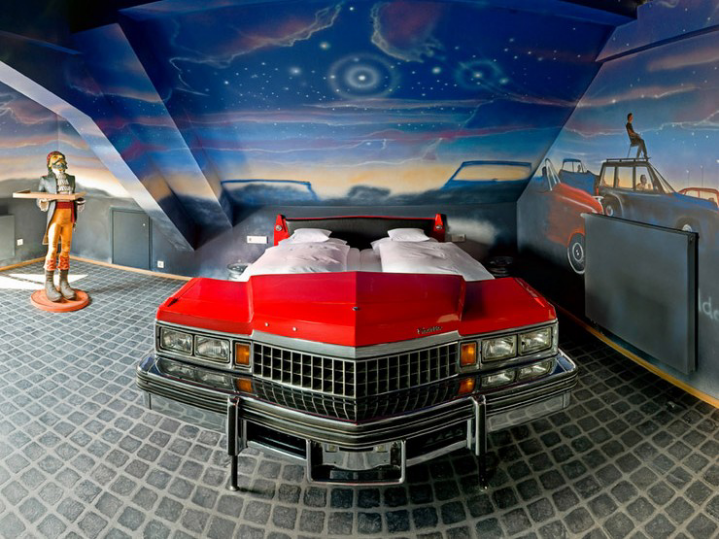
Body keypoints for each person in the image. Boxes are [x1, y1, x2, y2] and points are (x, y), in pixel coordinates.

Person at [37, 151, 85, 302]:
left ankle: (64, 282)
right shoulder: (45, 180)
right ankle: (49, 283)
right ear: (50, 164)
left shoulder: (71, 179)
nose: (61, 164)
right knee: (52, 249)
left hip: (69, 217)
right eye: (57, 162)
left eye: (62, 161)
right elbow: (39, 198)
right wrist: (43, 200)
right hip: (55, 218)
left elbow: (74, 196)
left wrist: (79, 201)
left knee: (66, 248)